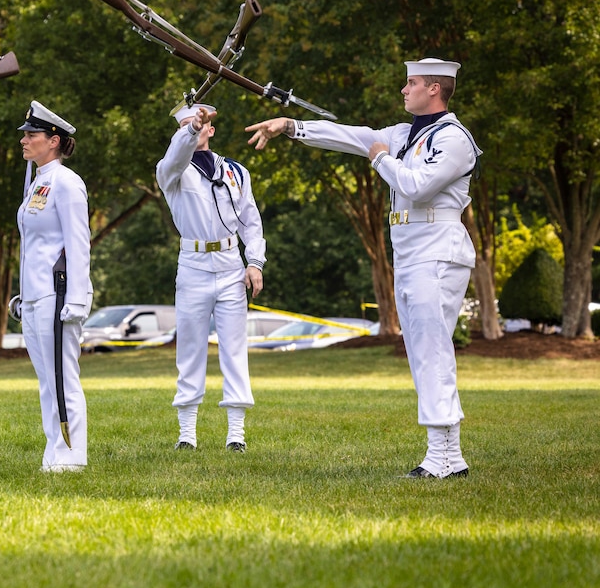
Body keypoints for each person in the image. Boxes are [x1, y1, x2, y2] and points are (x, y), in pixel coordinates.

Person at [246, 57, 479, 479]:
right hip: (409, 251)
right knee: (422, 353)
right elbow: (351, 136)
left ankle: (442, 456)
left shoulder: (454, 138)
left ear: (434, 89)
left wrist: (379, 160)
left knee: (433, 351)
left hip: (439, 249)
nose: (403, 90)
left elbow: (416, 186)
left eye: (411, 83)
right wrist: (292, 126)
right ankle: (448, 455)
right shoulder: (403, 133)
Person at [156, 103, 266, 453]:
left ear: (213, 129)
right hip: (193, 263)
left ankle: (237, 433)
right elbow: (175, 157)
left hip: (231, 262)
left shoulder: (235, 171)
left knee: (234, 349)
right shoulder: (171, 170)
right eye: (187, 125)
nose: (196, 127)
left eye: (200, 123)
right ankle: (186, 433)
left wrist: (255, 262)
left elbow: (251, 220)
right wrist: (188, 131)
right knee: (190, 347)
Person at [10, 101, 92, 472]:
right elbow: (34, 245)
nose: (24, 140)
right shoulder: (39, 182)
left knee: (63, 378)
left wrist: (79, 297)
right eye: (25, 135)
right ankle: (54, 452)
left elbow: (78, 243)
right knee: (47, 380)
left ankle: (72, 456)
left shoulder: (66, 182)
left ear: (54, 140)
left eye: (32, 135)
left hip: (58, 296)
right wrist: (22, 296)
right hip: (35, 296)